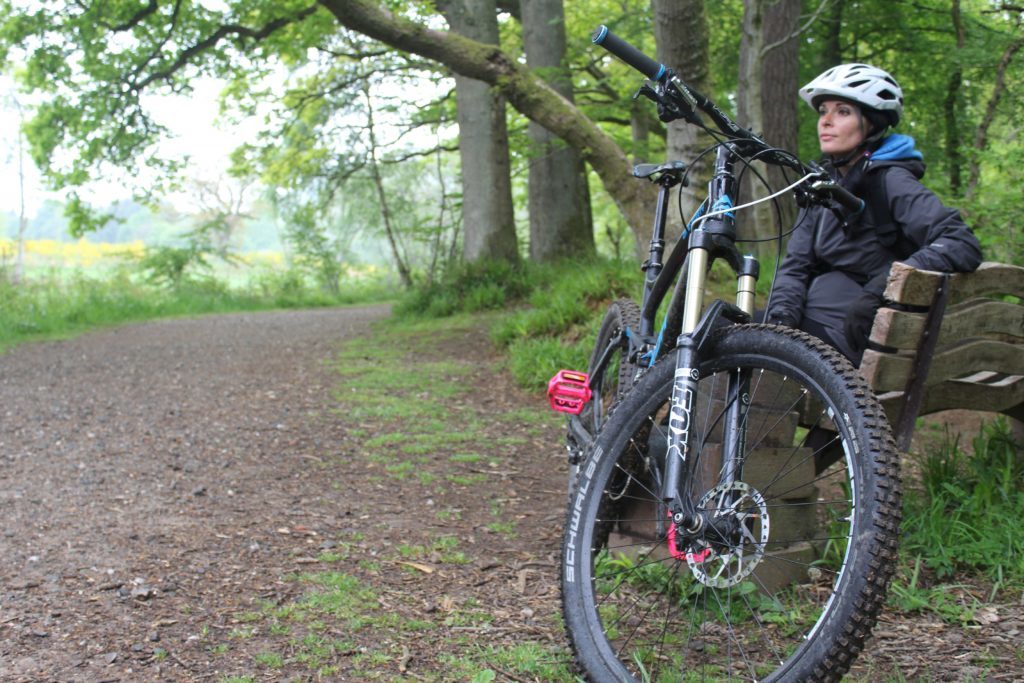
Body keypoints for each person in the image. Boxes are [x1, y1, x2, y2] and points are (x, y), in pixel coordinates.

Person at [766, 63, 983, 363]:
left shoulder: (889, 180)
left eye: (842, 112)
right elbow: (795, 267)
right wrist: (780, 322)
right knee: (720, 330)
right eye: (822, 111)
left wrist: (883, 288)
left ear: (872, 123)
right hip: (813, 328)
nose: (826, 121)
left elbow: (960, 242)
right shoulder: (822, 187)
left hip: (853, 336)